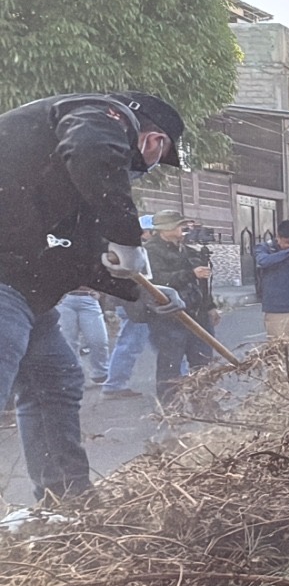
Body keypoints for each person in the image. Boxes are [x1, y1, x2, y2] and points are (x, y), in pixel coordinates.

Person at [0, 91, 186, 501]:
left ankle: (67, 502)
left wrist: (142, 292)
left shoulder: (69, 186)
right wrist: (126, 233)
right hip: (7, 282)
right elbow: (92, 150)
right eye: (159, 157)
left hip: (26, 289)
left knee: (54, 381)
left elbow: (81, 256)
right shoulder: (99, 116)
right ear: (155, 141)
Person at [146, 210, 218, 403]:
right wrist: (191, 273)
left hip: (197, 313)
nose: (184, 230)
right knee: (170, 367)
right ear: (166, 229)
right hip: (169, 316)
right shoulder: (149, 252)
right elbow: (157, 282)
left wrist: (210, 306)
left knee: (202, 362)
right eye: (180, 225)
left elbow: (201, 284)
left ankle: (204, 406)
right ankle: (171, 412)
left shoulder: (186, 250)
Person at [102, 215, 158, 400]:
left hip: (135, 302)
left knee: (136, 343)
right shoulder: (135, 251)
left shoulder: (132, 249)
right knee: (131, 343)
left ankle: (115, 383)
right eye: (153, 231)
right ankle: (114, 384)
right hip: (135, 304)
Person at [55, 288, 109, 386]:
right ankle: (75, 376)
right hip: (65, 298)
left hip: (89, 298)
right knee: (69, 342)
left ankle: (100, 374)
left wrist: (100, 292)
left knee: (98, 340)